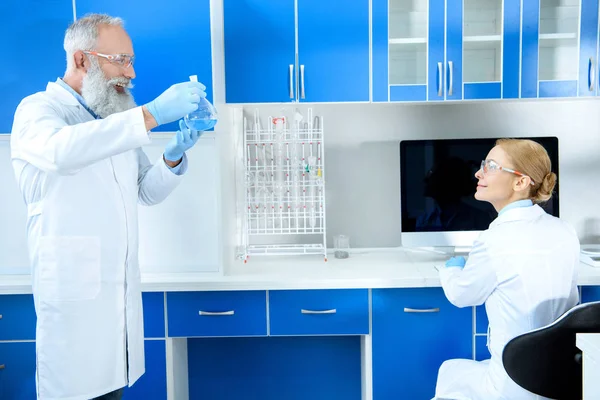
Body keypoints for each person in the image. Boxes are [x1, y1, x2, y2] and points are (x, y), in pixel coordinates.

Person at [10, 13, 207, 400]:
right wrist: (150, 114)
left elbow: (144, 191)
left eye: (131, 60)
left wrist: (171, 158)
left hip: (117, 316)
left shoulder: (111, 118)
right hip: (73, 318)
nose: (130, 74)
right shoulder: (37, 110)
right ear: (82, 59)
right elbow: (60, 152)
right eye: (121, 60)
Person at [433, 139, 580, 400]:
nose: (478, 173)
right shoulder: (565, 230)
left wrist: (452, 268)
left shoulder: (494, 239)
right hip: (560, 382)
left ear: (520, 182)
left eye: (491, 166)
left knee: (448, 371)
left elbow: (461, 295)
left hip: (513, 384)